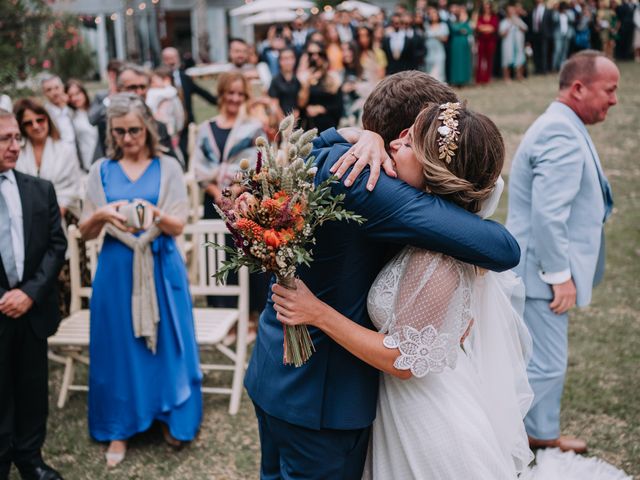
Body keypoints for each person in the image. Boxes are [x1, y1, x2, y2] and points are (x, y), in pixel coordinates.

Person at [244, 70, 522, 479]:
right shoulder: (374, 186)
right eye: (408, 133)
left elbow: (313, 143)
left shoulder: (325, 153)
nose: (398, 143)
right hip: (323, 402)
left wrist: (352, 133)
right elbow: (504, 248)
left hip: (273, 370)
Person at [79, 93, 202, 467]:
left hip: (162, 266)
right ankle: (118, 427)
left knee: (167, 344)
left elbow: (179, 224)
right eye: (119, 132)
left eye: (133, 130)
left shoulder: (167, 166)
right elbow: (85, 231)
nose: (127, 138)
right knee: (118, 347)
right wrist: (100, 213)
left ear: (147, 127)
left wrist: (155, 214)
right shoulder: (100, 169)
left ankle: (171, 416)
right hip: (116, 270)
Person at [507, 50, 618, 454]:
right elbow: (548, 214)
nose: (614, 99)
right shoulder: (560, 131)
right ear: (578, 88)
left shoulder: (561, 123)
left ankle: (532, 431)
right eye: (609, 90)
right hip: (541, 269)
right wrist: (560, 276)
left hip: (536, 266)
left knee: (536, 357)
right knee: (546, 362)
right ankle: (536, 436)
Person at [0, 108, 67, 480]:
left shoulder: (39, 189)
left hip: (31, 307)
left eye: (17, 138)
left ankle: (31, 460)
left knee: (31, 388)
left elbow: (56, 246)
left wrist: (29, 292)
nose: (16, 145)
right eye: (6, 138)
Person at [90, 64, 179, 165]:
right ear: (118, 89)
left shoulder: (158, 126)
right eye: (132, 87)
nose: (139, 92)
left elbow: (173, 164)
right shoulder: (106, 124)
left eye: (143, 87)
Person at [14, 99, 82, 221]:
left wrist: (56, 213)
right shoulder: (16, 151)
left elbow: (73, 187)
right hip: (25, 217)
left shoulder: (65, 150)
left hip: (61, 216)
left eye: (40, 120)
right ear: (21, 127)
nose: (35, 126)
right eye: (28, 123)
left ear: (47, 119)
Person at [161, 47, 217, 161]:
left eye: (173, 58)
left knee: (189, 153)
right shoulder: (159, 80)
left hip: (187, 125)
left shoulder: (184, 77)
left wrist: (221, 101)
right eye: (168, 59)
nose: (171, 62)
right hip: (169, 127)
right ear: (163, 60)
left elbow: (201, 92)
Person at [298, 42, 343, 132]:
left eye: (319, 54)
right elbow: (300, 104)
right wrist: (306, 83)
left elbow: (338, 105)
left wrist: (321, 109)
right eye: (311, 54)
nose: (315, 57)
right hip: (309, 129)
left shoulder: (333, 77)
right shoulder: (302, 77)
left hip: (328, 126)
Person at [65, 79, 99, 172]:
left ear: (84, 93)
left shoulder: (96, 110)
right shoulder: (71, 116)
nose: (75, 98)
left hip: (104, 160)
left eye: (77, 93)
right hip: (88, 165)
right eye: (70, 96)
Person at [41, 75, 76, 147]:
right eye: (49, 90)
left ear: (62, 88)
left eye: (57, 88)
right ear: (44, 93)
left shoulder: (71, 108)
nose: (54, 92)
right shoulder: (44, 115)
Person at [267, 47, 301, 121]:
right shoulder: (275, 80)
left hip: (299, 119)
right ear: (280, 61)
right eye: (285, 59)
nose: (288, 62)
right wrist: (284, 120)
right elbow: (274, 103)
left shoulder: (298, 79)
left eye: (291, 58)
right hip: (282, 120)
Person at [500, 3, 529, 81]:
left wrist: (517, 23)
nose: (511, 12)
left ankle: (519, 76)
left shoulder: (518, 20)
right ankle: (506, 77)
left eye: (513, 10)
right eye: (510, 11)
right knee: (507, 60)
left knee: (520, 59)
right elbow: (501, 33)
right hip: (508, 44)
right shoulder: (504, 22)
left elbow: (525, 29)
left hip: (518, 44)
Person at [448, 7, 474, 86]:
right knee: (456, 62)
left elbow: (469, 31)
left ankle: (465, 80)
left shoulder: (466, 23)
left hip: (464, 44)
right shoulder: (453, 23)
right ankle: (456, 80)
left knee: (464, 61)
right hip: (455, 44)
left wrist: (463, 28)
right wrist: (461, 30)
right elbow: (454, 30)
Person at [528, 0, 555, 74]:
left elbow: (551, 24)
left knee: (544, 52)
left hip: (544, 35)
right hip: (534, 34)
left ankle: (544, 69)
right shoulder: (532, 11)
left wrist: (550, 34)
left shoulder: (548, 11)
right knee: (536, 52)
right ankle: (537, 68)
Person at [476, 2, 500, 84]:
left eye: (488, 6)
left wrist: (484, 27)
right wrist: (487, 27)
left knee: (489, 60)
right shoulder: (480, 17)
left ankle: (487, 79)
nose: (487, 8)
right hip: (481, 41)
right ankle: (479, 79)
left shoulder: (494, 17)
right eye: (485, 6)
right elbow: (478, 28)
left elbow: (493, 28)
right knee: (480, 60)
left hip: (490, 41)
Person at [425, 6, 450, 82]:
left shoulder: (443, 26)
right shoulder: (426, 26)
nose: (433, 16)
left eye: (435, 15)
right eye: (431, 15)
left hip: (439, 51)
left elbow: (445, 38)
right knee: (429, 71)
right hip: (429, 51)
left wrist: (435, 36)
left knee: (439, 70)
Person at [552, 2, 576, 71]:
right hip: (558, 35)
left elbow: (572, 20)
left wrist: (567, 14)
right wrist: (558, 12)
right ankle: (554, 66)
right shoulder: (557, 13)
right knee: (557, 50)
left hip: (567, 34)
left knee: (564, 51)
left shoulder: (570, 13)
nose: (564, 9)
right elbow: (554, 19)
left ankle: (562, 67)